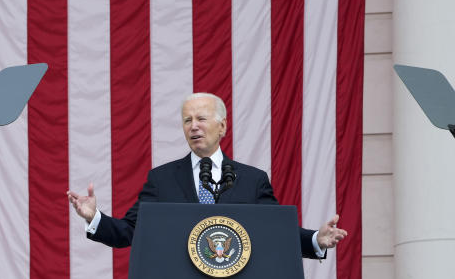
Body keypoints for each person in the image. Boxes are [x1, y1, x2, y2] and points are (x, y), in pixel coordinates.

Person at [66, 92, 347, 258]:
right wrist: (94, 217)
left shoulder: (252, 180)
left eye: (201, 119)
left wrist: (315, 240)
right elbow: (128, 232)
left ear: (222, 126)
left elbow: (274, 233)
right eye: (187, 121)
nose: (194, 127)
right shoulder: (161, 180)